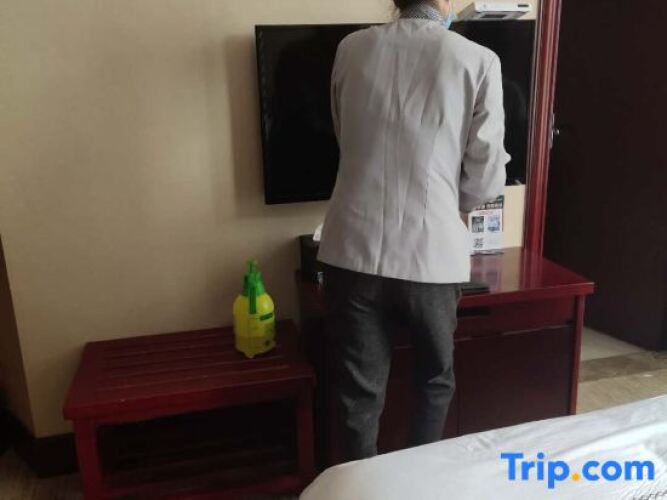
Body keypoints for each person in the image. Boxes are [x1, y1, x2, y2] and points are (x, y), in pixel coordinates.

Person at [318, 0, 509, 461]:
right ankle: (419, 483)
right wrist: (447, 206)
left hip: (352, 249)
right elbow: (485, 177)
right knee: (432, 382)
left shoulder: (350, 48)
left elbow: (345, 137)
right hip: (433, 256)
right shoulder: (478, 60)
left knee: (358, 394)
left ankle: (358, 488)